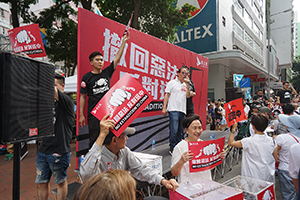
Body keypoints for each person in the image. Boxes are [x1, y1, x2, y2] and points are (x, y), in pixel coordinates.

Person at [80, 114, 179, 191]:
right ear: (114, 140)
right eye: (125, 135)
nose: (127, 138)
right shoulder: (98, 155)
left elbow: (141, 169)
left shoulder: (124, 152)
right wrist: (102, 135)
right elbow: (86, 175)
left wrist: (163, 181)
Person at [79, 33, 130, 148]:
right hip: (94, 114)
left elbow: (117, 58)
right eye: (97, 60)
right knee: (94, 139)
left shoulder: (107, 72)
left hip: (108, 112)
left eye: (102, 59)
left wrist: (124, 42)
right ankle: (93, 163)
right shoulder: (86, 78)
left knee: (110, 138)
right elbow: (82, 96)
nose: (100, 62)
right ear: (91, 62)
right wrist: (81, 114)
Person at [35, 73, 75, 200]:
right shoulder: (47, 104)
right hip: (43, 150)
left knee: (61, 182)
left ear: (62, 86)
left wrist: (41, 68)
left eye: (54, 86)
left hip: (59, 151)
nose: (50, 89)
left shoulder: (67, 102)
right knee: (41, 182)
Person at [171, 114, 225, 183]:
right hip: (188, 189)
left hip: (206, 186)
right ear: (186, 130)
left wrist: (218, 157)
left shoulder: (204, 144)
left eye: (200, 128)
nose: (198, 131)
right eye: (194, 128)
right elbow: (174, 173)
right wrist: (181, 161)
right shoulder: (179, 147)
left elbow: (208, 167)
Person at [228, 114, 276, 183]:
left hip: (252, 178)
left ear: (253, 126)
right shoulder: (272, 140)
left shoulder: (247, 141)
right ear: (267, 126)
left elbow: (230, 142)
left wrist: (233, 129)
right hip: (267, 176)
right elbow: (275, 157)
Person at [162, 66, 191, 153]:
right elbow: (167, 95)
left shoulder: (186, 85)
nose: (184, 75)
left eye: (186, 73)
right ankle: (172, 148)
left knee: (180, 131)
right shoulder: (172, 83)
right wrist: (164, 107)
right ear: (178, 73)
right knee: (174, 129)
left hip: (183, 110)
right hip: (173, 109)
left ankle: (179, 147)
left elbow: (188, 95)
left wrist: (188, 85)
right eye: (182, 73)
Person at [273, 114, 299, 200]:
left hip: (285, 169)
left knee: (288, 195)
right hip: (298, 169)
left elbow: (274, 152)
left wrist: (276, 162)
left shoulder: (282, 138)